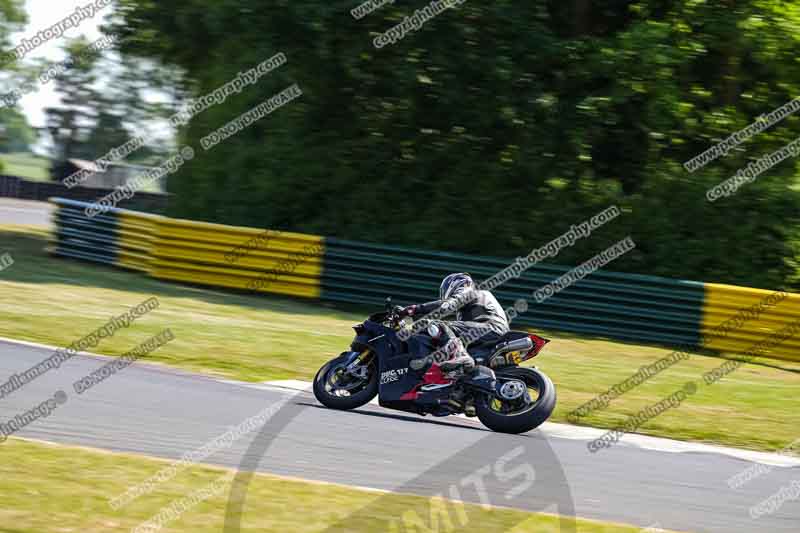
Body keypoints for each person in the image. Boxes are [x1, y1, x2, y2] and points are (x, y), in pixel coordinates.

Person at [397, 272, 509, 376]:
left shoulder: (468, 291)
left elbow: (448, 305)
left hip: (489, 328)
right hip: (491, 332)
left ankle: (460, 355)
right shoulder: (475, 302)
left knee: (436, 324)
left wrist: (416, 309)